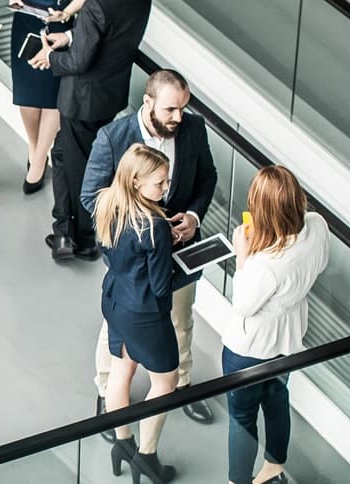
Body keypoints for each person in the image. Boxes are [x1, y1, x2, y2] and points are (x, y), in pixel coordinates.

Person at [82, 70, 219, 436]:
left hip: (180, 247)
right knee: (118, 331)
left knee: (180, 320)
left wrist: (191, 217)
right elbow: (90, 196)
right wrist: (139, 228)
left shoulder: (193, 129)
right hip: (134, 262)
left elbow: (207, 178)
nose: (179, 117)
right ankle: (108, 396)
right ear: (149, 102)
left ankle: (181, 387)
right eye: (171, 109)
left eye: (183, 108)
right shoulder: (113, 138)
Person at [30, 0, 153, 261]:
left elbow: (79, 61)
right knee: (64, 155)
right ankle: (65, 230)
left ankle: (82, 237)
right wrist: (71, 35)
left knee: (80, 165)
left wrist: (50, 58)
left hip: (82, 100)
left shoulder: (98, 2)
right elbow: (108, 32)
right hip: (110, 94)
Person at [224, 166, 329, 484]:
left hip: (249, 349)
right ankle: (273, 468)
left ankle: (238, 480)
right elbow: (319, 262)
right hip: (289, 341)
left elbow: (243, 304)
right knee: (277, 398)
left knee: (242, 418)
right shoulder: (318, 226)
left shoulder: (266, 265)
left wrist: (243, 257)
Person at [92, 144, 178, 483]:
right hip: (145, 312)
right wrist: (177, 257)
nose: (165, 188)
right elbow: (160, 286)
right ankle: (147, 456)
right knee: (165, 382)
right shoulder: (153, 226)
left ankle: (123, 443)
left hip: (114, 299)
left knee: (121, 370)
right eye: (159, 183)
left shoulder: (108, 205)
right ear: (136, 182)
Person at [8, 0, 91, 194]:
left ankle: (39, 160)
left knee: (53, 96)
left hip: (58, 19)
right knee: (28, 95)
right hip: (26, 14)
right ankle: (35, 148)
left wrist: (64, 14)